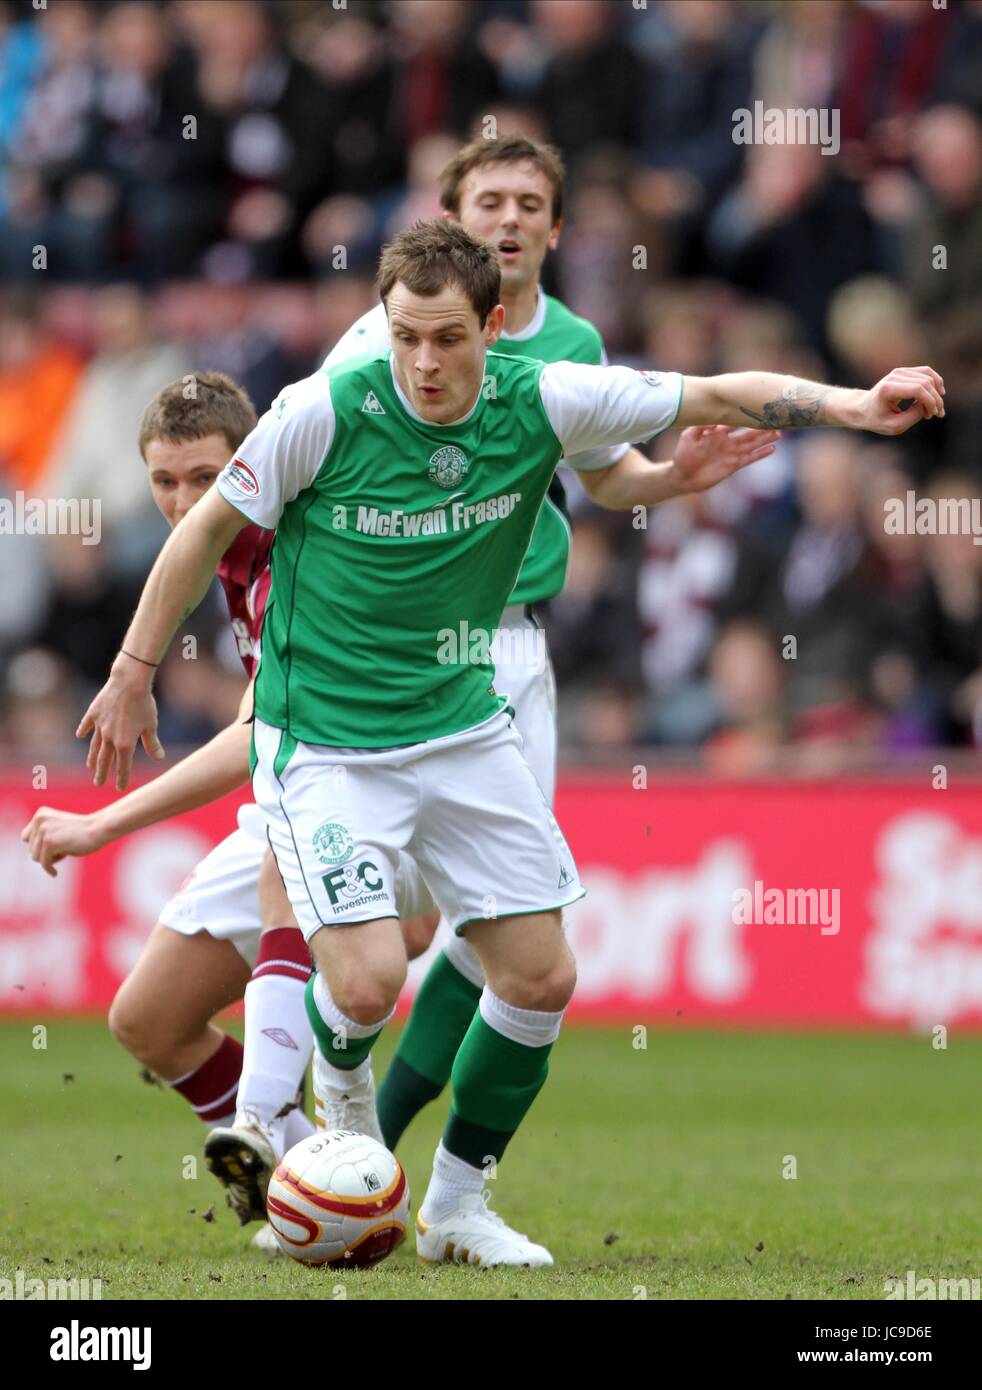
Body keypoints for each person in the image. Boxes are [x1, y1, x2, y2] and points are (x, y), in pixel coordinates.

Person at [77, 220, 943, 1266]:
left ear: (493, 325)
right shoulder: (322, 411)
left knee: (539, 979)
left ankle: (458, 1206)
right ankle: (335, 1119)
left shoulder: (545, 395)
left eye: (447, 338)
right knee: (359, 986)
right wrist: (131, 672)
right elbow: (203, 528)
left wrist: (854, 406)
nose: (424, 364)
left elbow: (711, 391)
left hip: (457, 730)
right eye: (404, 338)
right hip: (331, 745)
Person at [322, 134, 782, 1154]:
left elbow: (606, 476)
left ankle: (382, 1163)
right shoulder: (375, 345)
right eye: (490, 199)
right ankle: (299, 1110)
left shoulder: (571, 342)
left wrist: (673, 478)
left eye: (532, 202)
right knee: (387, 941)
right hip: (389, 660)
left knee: (502, 938)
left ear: (557, 227)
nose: (512, 218)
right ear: (450, 219)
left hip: (511, 649)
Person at [21, 372, 432, 1244]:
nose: (182, 502)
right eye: (164, 482)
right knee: (148, 1021)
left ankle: (280, 1132)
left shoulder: (301, 550)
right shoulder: (219, 555)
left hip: (378, 795)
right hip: (298, 788)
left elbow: (256, 737)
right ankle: (320, 1186)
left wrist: (101, 824)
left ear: (253, 463)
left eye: (204, 478)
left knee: (304, 881)